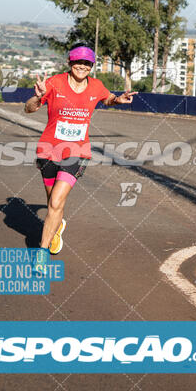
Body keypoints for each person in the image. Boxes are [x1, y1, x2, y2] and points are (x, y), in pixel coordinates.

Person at [24, 43, 137, 272]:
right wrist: (37, 98)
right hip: (48, 150)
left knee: (56, 202)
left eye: (87, 63)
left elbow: (106, 98)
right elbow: (29, 108)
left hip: (76, 152)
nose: (82, 66)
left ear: (91, 66)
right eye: (78, 62)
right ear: (70, 63)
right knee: (52, 204)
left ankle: (42, 253)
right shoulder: (54, 83)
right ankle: (57, 227)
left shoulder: (96, 85)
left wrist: (118, 100)